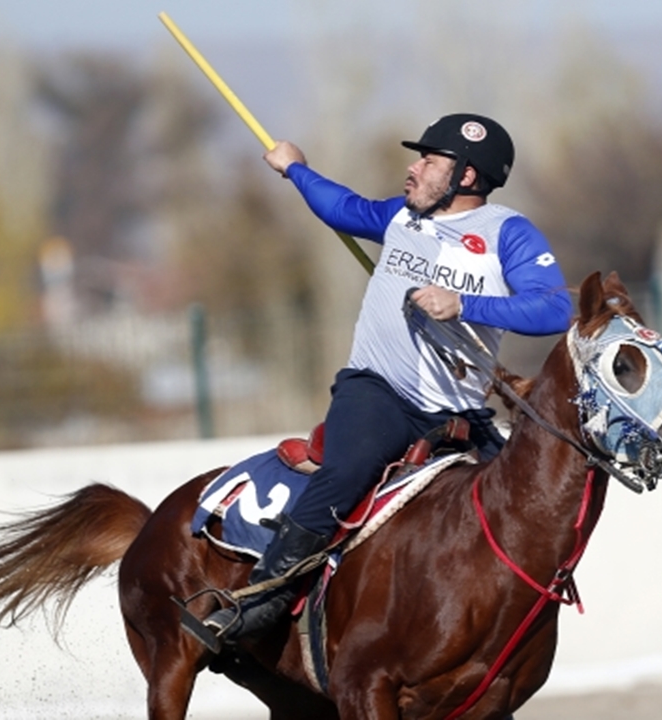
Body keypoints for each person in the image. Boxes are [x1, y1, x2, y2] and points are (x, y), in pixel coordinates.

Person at [204, 113, 573, 641]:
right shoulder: (400, 215)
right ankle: (263, 595)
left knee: (522, 504)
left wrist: (464, 303)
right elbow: (342, 208)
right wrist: (296, 170)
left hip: (460, 412)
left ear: (466, 177)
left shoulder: (508, 233)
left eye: (429, 160)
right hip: (379, 392)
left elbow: (555, 310)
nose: (412, 168)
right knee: (345, 473)